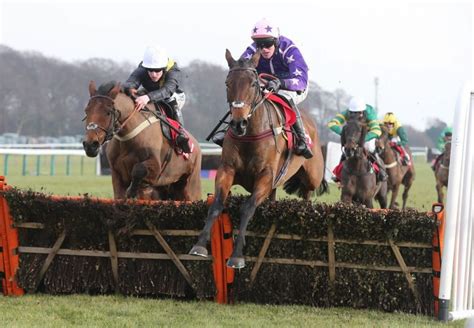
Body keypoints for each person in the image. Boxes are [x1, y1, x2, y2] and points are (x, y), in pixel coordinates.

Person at [213, 18, 312, 159]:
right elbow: (241, 72)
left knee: (285, 97)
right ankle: (232, 127)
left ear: (276, 41)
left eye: (268, 44)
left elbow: (301, 81)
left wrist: (280, 83)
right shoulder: (253, 50)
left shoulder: (290, 50)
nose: (264, 49)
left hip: (292, 86)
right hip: (265, 82)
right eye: (259, 44)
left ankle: (302, 139)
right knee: (243, 94)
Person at [123, 45, 190, 153]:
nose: (153, 74)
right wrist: (130, 88)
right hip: (148, 93)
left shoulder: (173, 70)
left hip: (172, 96)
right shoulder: (143, 67)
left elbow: (168, 90)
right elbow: (131, 82)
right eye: (150, 70)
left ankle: (180, 135)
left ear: (164, 68)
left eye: (157, 70)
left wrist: (148, 97)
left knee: (171, 101)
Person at [327, 97, 388, 182]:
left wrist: (362, 139)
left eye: (357, 113)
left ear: (362, 112)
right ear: (350, 111)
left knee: (370, 148)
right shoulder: (347, 112)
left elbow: (377, 131)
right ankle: (339, 173)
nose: (354, 115)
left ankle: (381, 171)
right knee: (346, 150)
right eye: (352, 113)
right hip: (352, 136)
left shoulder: (370, 113)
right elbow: (332, 124)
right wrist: (345, 133)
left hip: (367, 135)